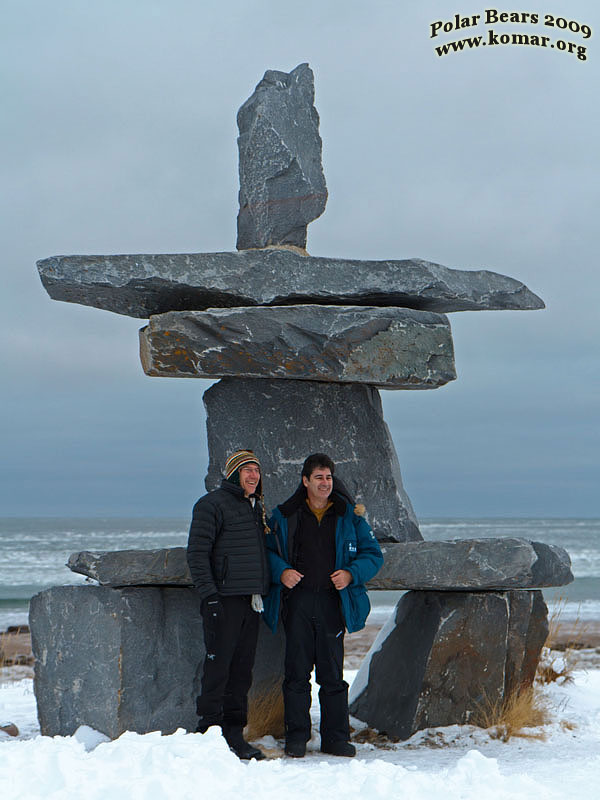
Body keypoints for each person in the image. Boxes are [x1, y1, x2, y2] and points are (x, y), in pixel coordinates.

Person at [263, 453, 383, 758]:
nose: (325, 483)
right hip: (297, 603)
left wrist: (351, 573)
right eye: (318, 477)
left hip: (332, 604)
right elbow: (265, 552)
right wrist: (281, 571)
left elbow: (373, 555)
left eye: (328, 477)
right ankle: (297, 738)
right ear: (305, 481)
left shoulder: (349, 517)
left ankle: (336, 739)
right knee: (296, 674)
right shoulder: (284, 516)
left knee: (332, 675)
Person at [187, 449, 270, 760]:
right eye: (247, 470)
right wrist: (210, 597)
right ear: (234, 473)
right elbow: (197, 554)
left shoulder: (255, 507)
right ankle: (208, 734)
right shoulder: (211, 505)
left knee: (242, 671)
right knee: (218, 670)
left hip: (251, 601)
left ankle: (235, 735)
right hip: (222, 601)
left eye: (257, 471)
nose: (253, 475)